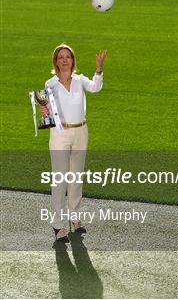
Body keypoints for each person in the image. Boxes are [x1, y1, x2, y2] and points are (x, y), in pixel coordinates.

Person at [41, 43, 107, 243]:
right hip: (60, 134)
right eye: (60, 57)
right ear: (56, 61)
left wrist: (99, 68)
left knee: (76, 178)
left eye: (67, 56)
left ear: (72, 60)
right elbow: (48, 111)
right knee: (60, 180)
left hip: (80, 131)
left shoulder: (80, 80)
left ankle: (75, 219)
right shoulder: (50, 84)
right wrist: (44, 112)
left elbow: (96, 88)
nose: (64, 60)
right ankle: (58, 225)